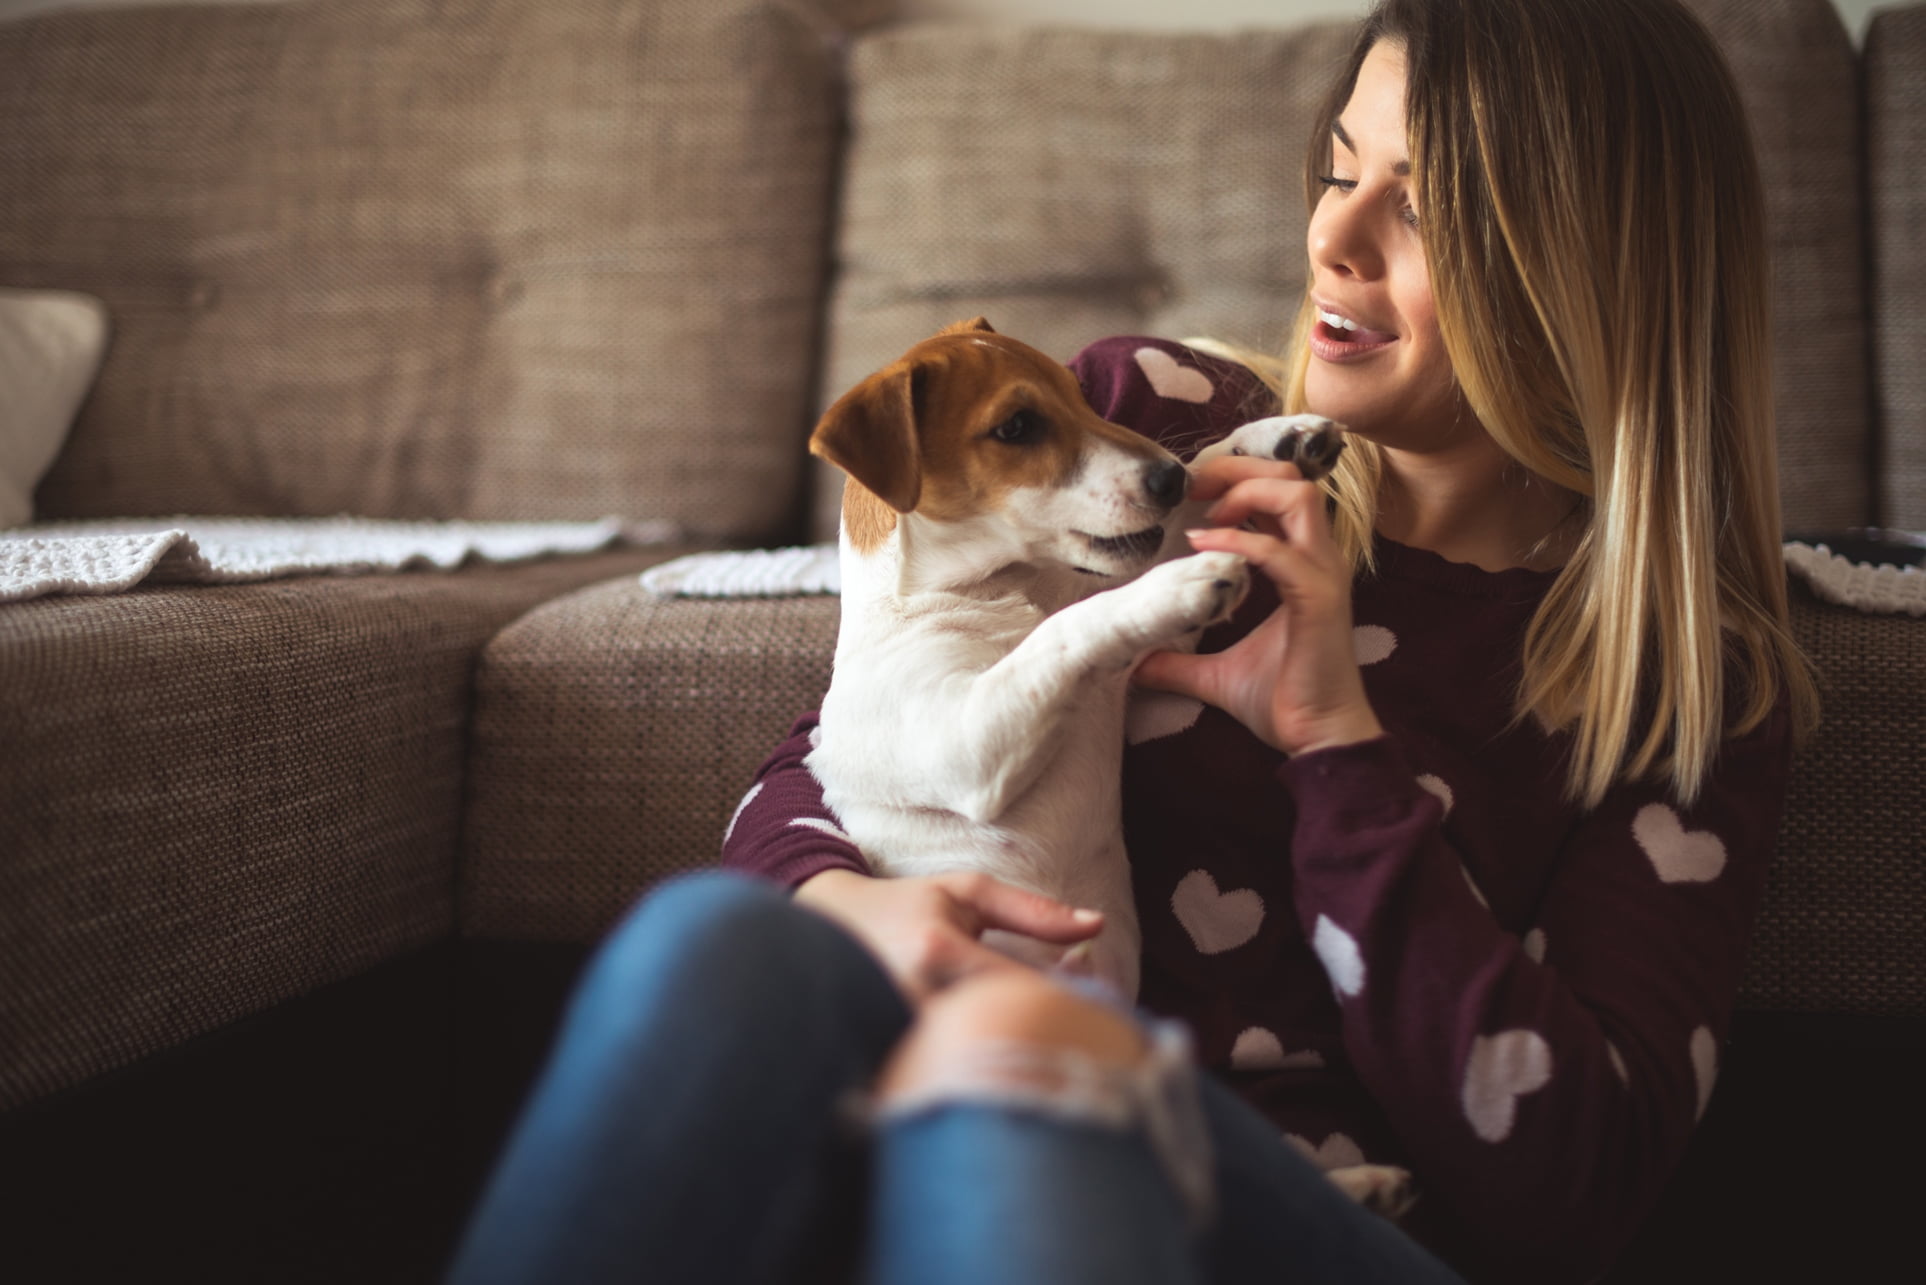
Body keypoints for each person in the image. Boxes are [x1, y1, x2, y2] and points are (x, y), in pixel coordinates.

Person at [445, 1, 1819, 1281]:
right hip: (958, 1128)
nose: (1335, 240)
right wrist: (845, 901)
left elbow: (1580, 1182)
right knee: (714, 940)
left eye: (1429, 210)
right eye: (1340, 169)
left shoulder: (1675, 676)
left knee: (1026, 1050)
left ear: (1587, 272)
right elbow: (840, 748)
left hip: (1319, 1219)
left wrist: (1334, 745)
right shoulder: (1141, 434)